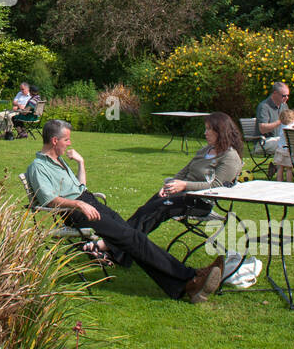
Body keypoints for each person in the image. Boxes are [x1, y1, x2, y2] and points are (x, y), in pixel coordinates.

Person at [25, 120, 225, 303]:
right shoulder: (39, 167)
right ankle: (190, 278)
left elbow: (80, 187)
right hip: (78, 211)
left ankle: (181, 284)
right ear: (54, 140)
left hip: (88, 202)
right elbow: (49, 200)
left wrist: (81, 163)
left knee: (133, 239)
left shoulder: (59, 160)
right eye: (66, 140)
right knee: (133, 239)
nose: (69, 143)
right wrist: (78, 205)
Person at [122, 112, 246, 237]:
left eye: (209, 129)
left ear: (221, 131)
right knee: (145, 210)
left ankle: (115, 244)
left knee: (156, 210)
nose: (205, 133)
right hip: (182, 194)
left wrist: (184, 185)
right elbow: (184, 172)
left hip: (200, 202)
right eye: (205, 128)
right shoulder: (205, 150)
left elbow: (216, 185)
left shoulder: (230, 157)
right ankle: (117, 241)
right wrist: (169, 186)